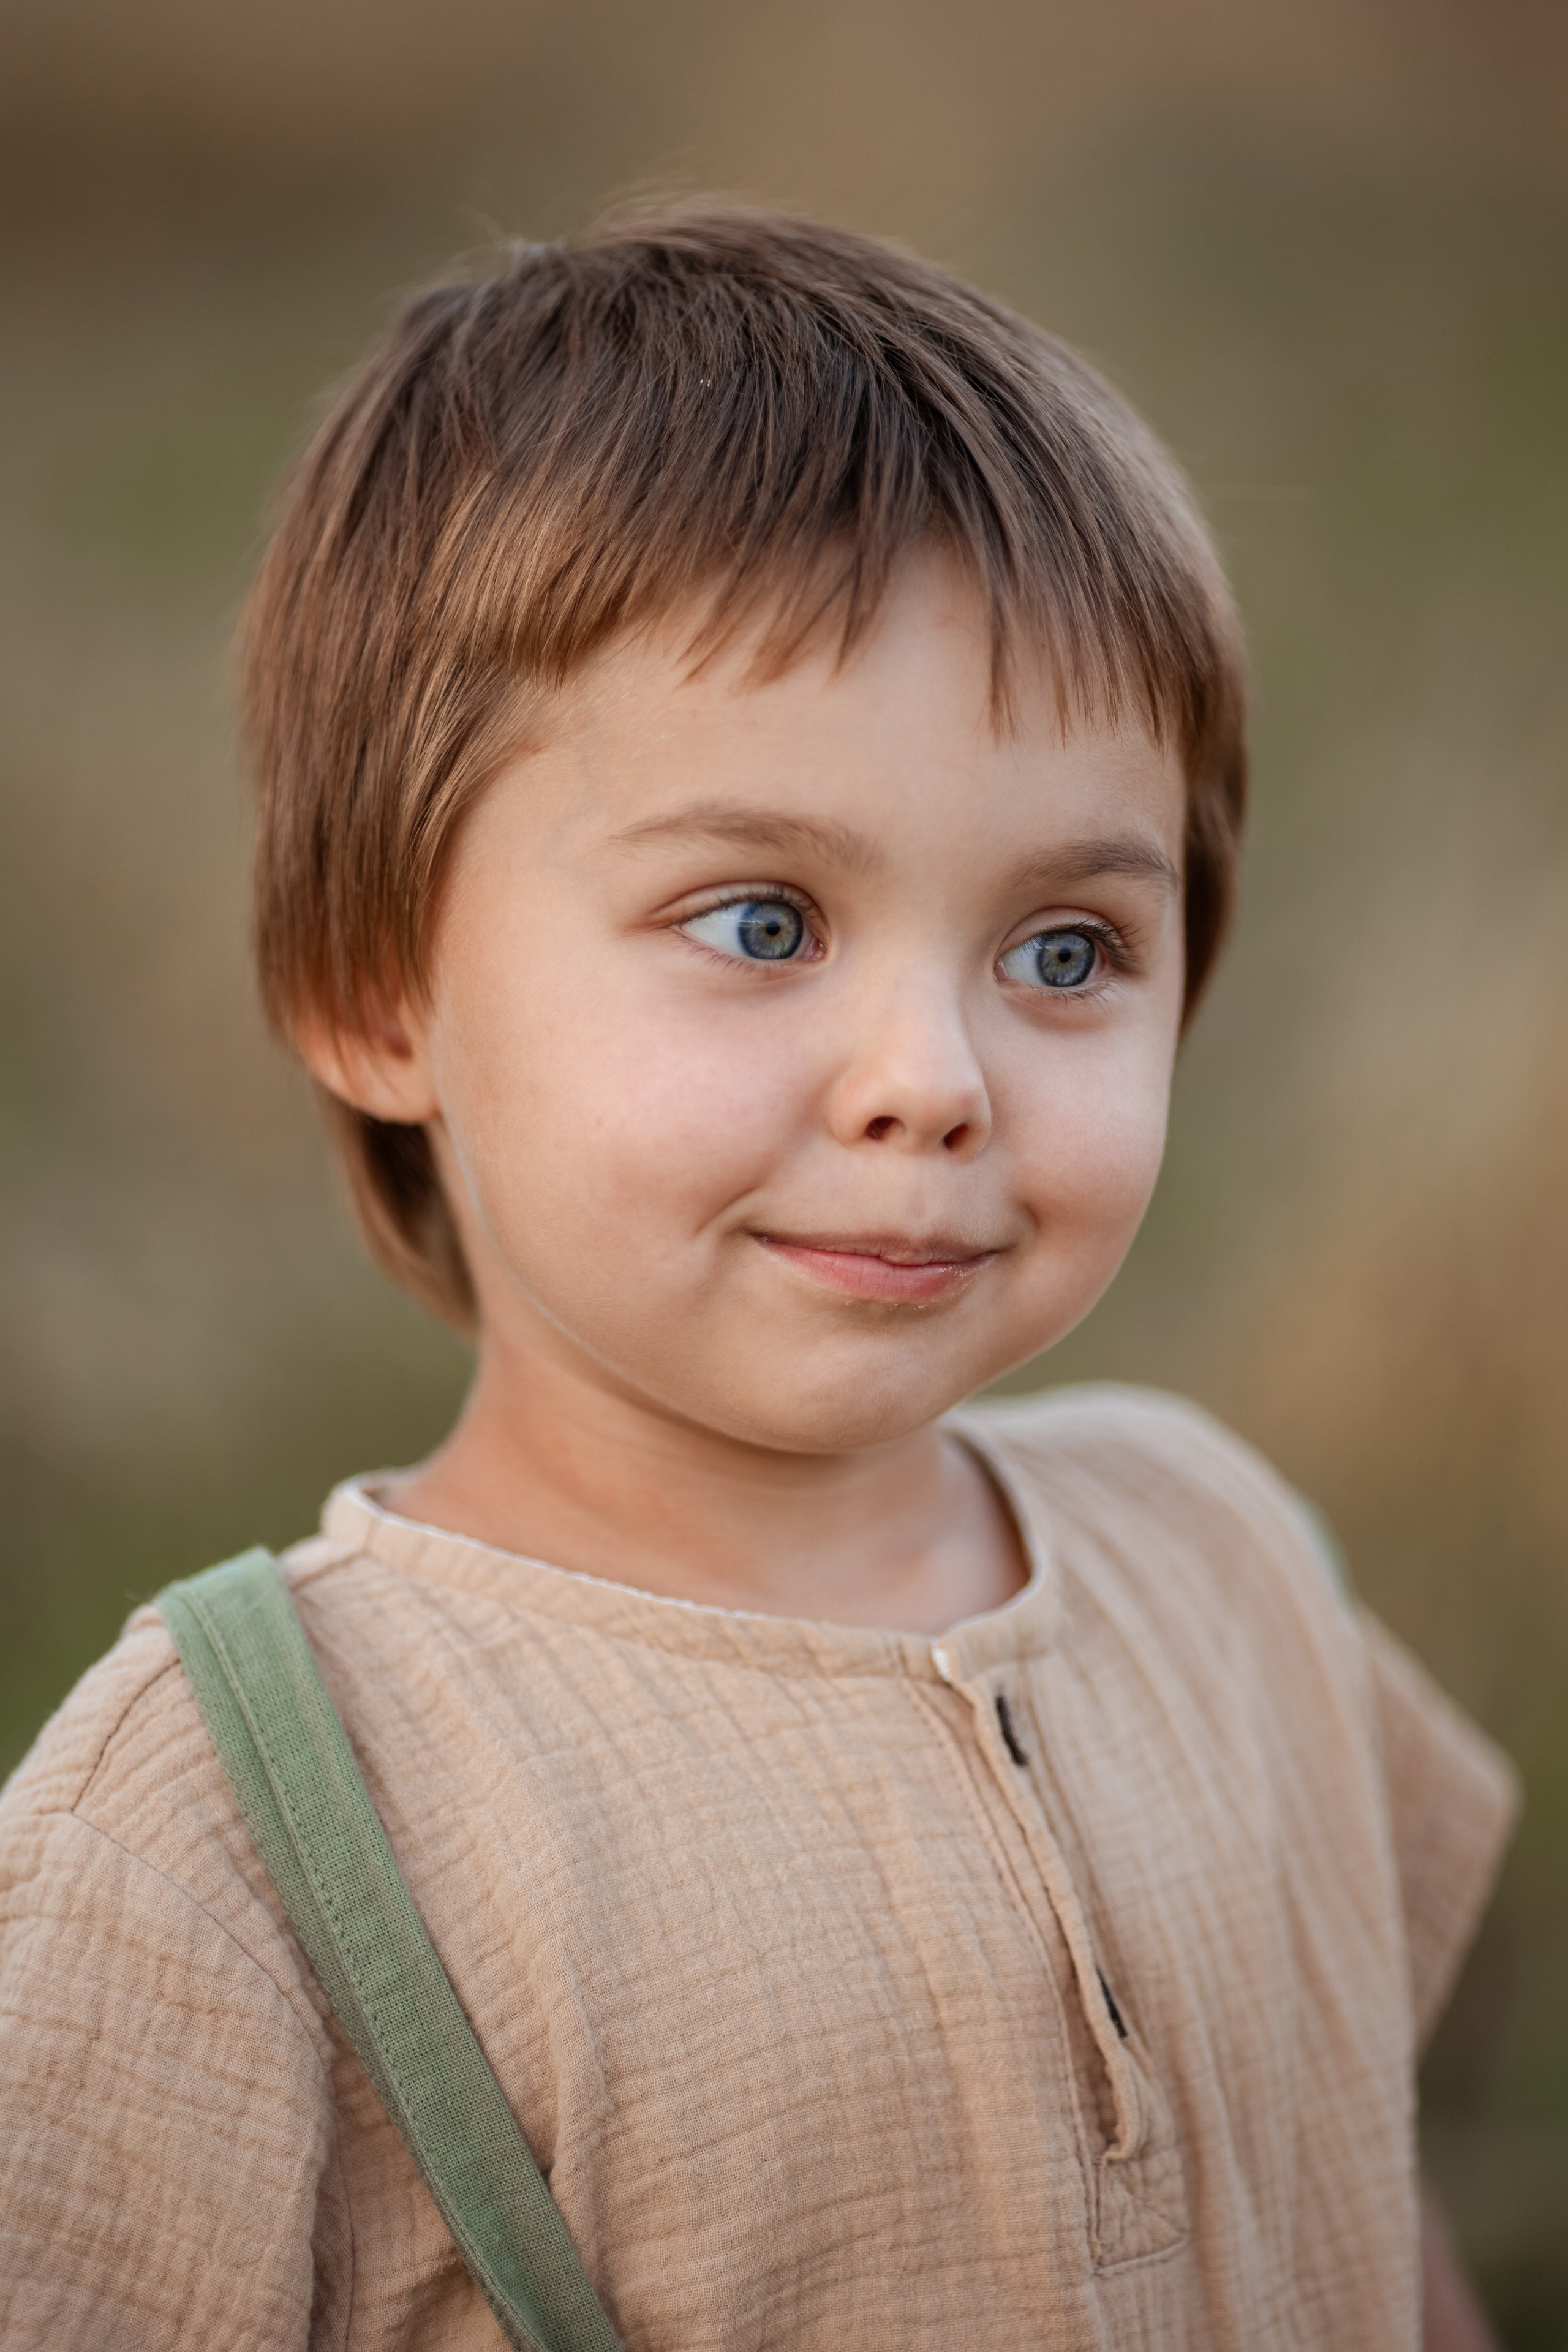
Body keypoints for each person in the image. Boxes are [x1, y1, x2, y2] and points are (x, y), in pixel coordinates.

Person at [0, 202, 1515, 2350]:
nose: (935, 1080)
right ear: (377, 990)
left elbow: (1382, 2234)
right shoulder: (229, 1826)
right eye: (763, 923)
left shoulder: (1225, 1555)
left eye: (1067, 951)